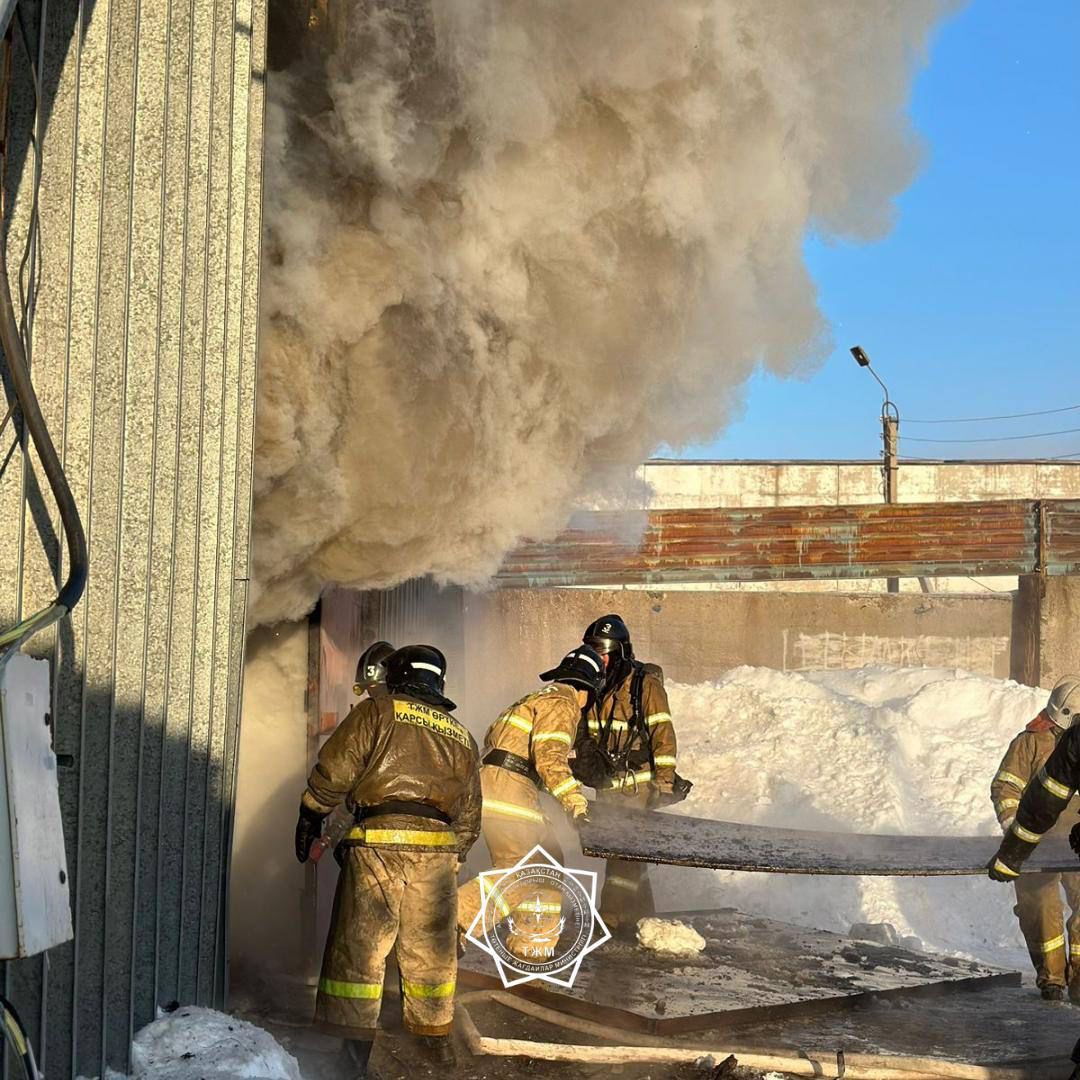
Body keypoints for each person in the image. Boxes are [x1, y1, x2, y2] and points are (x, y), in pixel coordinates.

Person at [295, 644, 481, 1077]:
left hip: (378, 843)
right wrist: (454, 854)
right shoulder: (461, 734)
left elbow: (338, 768)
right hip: (438, 850)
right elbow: (470, 814)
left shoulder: (377, 711)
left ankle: (353, 1052)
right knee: (431, 950)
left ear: (397, 677)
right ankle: (434, 1042)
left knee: (362, 947)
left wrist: (311, 812)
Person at [457, 646, 605, 961]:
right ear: (587, 690)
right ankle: (450, 922)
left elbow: (531, 757)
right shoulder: (562, 702)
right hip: (508, 789)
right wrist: (575, 801)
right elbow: (549, 757)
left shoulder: (535, 699)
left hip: (505, 786)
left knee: (550, 863)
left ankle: (532, 944)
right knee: (525, 870)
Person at [572, 614, 685, 933]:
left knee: (621, 855)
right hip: (608, 788)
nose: (598, 659)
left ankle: (610, 918)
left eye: (603, 652)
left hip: (638, 787)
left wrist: (664, 782)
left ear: (619, 652)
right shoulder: (593, 686)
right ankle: (642, 917)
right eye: (593, 651)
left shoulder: (643, 685)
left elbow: (663, 734)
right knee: (631, 856)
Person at [990, 676, 1080, 1001]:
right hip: (1035, 842)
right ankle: (1052, 980)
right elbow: (1006, 786)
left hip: (1073, 845)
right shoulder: (1030, 742)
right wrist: (1014, 828)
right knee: (1041, 908)